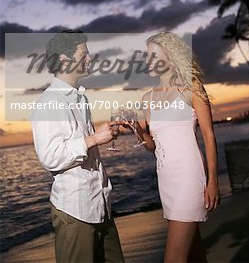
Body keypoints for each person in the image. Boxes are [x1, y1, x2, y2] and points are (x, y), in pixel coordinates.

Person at [31, 30, 124, 263]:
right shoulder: (50, 102)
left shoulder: (80, 98)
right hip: (75, 211)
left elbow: (82, 144)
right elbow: (50, 157)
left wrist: (102, 134)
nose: (90, 59)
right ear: (64, 59)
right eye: (85, 54)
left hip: (100, 205)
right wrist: (93, 139)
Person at [136, 32, 220, 263]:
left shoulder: (191, 89)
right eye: (147, 56)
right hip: (166, 182)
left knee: (174, 258)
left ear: (171, 57)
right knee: (194, 252)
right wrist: (140, 132)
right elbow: (153, 147)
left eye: (154, 56)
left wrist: (213, 181)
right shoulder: (147, 99)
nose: (148, 61)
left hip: (188, 178)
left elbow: (208, 136)